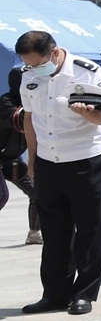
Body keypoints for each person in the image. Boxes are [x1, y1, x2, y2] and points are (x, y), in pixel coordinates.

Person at [15, 31, 101, 316]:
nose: (33, 69)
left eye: (38, 63)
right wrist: (32, 160)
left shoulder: (88, 73)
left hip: (85, 159)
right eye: (28, 64)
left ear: (54, 52)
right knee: (54, 232)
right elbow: (30, 118)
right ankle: (55, 294)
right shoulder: (28, 76)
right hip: (48, 161)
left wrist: (87, 113)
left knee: (89, 229)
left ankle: (84, 293)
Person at [0, 70, 39, 246]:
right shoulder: (6, 101)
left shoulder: (32, 103)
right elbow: (17, 120)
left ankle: (34, 233)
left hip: (12, 159)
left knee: (37, 194)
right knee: (2, 195)